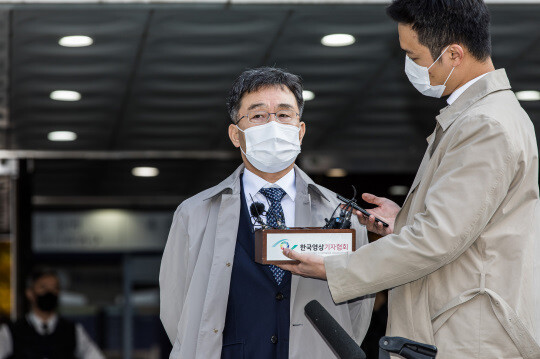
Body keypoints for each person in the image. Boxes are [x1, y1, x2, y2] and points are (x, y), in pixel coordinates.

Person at [279, 1, 540, 358]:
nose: (409, 67)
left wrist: (335, 267)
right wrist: (405, 220)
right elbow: (462, 230)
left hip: (470, 337)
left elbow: (437, 239)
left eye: (414, 57)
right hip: (463, 327)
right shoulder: (481, 117)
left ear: (453, 54)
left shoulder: (485, 125)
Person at [159, 67, 374, 359]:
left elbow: (357, 310)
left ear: (300, 131)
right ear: (236, 134)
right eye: (258, 115)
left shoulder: (342, 214)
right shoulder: (194, 214)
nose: (273, 124)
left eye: (284, 114)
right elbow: (176, 311)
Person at [0, 269, 105, 359]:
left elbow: (94, 356)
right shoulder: (11, 331)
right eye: (43, 288)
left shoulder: (73, 331)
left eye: (55, 288)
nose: (49, 293)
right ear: (30, 293)